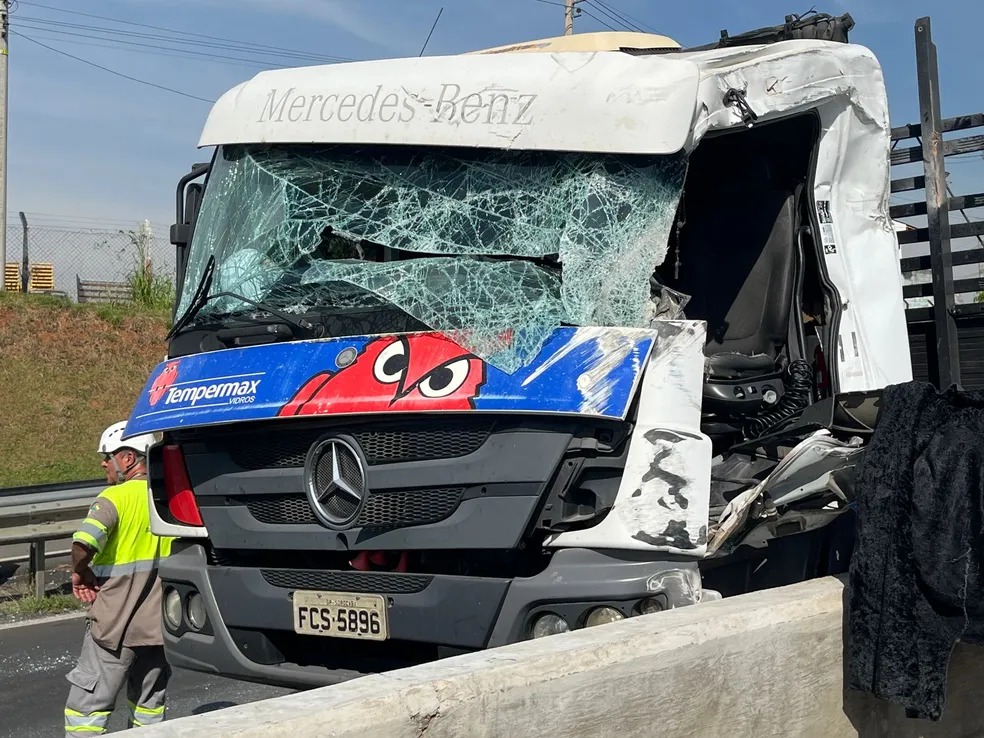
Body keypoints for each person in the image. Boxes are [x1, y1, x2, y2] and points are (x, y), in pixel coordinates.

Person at [64, 421, 174, 735]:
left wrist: (80, 572)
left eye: (108, 456)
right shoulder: (169, 495)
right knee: (148, 706)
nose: (103, 463)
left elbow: (83, 543)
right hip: (160, 626)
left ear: (127, 459)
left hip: (114, 628)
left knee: (86, 708)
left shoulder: (115, 499)